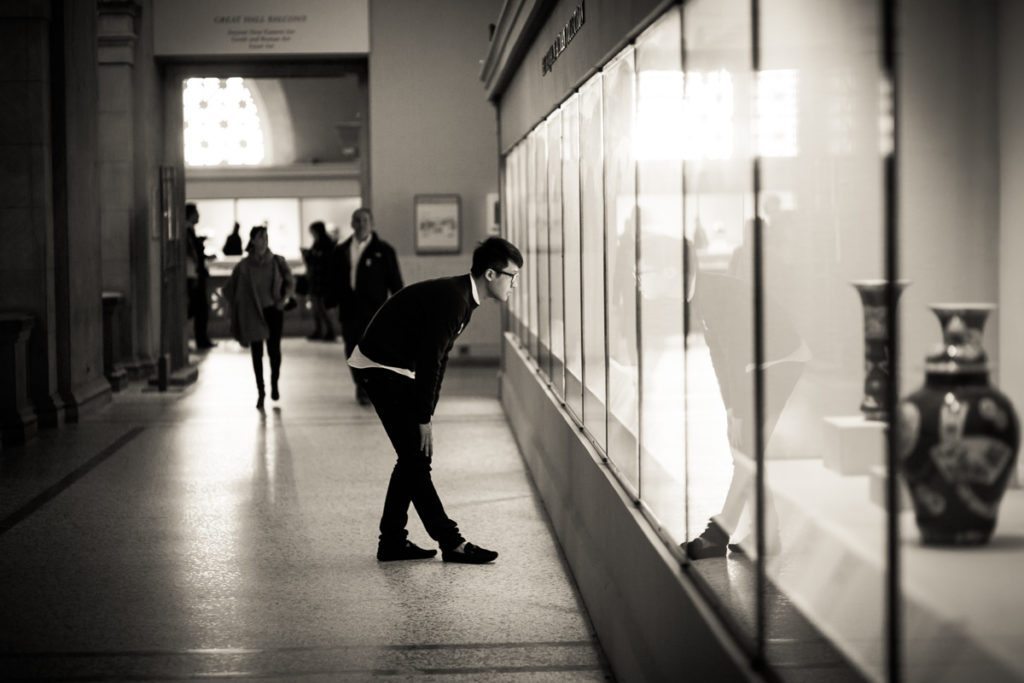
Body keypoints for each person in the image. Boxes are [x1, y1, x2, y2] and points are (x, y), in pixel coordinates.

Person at [349, 237, 523, 564]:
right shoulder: (455, 300)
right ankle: (451, 542)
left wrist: (426, 414)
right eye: (511, 276)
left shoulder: (462, 298)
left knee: (412, 458)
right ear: (490, 274)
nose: (514, 284)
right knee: (415, 460)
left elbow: (439, 360)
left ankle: (392, 542)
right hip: (380, 366)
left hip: (394, 367)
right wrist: (423, 417)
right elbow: (430, 360)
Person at [332, 208, 403, 404]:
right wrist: (332, 301)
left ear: (372, 224)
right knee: (352, 349)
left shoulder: (384, 251)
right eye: (357, 220)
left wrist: (399, 309)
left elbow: (396, 283)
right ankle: (361, 385)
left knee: (374, 350)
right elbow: (333, 280)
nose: (361, 224)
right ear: (352, 224)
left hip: (374, 311)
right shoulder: (341, 250)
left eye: (365, 220)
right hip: (349, 310)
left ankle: (371, 386)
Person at [223, 226, 296, 410]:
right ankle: (261, 391)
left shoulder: (277, 261)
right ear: (253, 240)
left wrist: (284, 297)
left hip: (273, 310)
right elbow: (229, 289)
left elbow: (290, 282)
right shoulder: (244, 266)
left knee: (274, 350)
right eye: (260, 237)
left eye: (266, 237)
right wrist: (238, 307)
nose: (264, 241)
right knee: (257, 353)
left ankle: (274, 383)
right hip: (253, 312)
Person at [185, 203, 216, 349]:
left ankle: (201, 338)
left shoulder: (189, 232)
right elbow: (192, 255)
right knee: (198, 309)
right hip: (193, 275)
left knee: (197, 309)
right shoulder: (187, 232)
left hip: (195, 274)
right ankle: (200, 339)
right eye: (196, 213)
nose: (198, 216)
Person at [301, 221, 337, 341]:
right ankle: (320, 330)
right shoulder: (318, 244)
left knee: (322, 307)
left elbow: (323, 262)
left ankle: (329, 331)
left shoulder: (326, 245)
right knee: (317, 307)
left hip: (322, 281)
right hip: (317, 280)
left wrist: (308, 255)